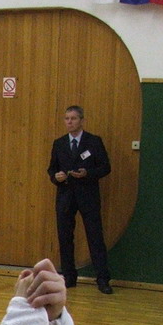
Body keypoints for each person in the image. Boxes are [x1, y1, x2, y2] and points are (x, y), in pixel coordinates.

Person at [47, 105, 112, 294]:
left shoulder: (93, 142)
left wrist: (87, 173)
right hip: (65, 195)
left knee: (95, 237)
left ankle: (103, 279)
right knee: (65, 237)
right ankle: (69, 276)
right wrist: (56, 177)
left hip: (87, 195)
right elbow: (52, 169)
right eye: (67, 118)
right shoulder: (59, 143)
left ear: (81, 120)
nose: (69, 122)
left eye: (73, 118)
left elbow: (105, 167)